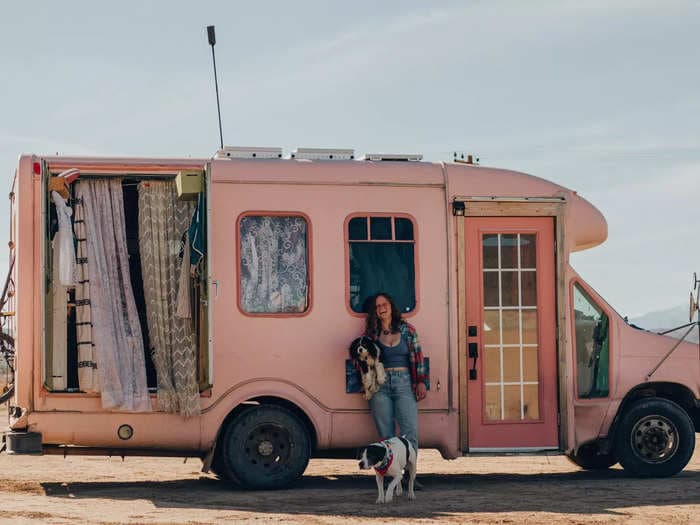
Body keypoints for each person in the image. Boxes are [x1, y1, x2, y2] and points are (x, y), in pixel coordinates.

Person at [364, 292, 429, 485]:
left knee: (410, 432)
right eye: (377, 307)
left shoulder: (407, 330)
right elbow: (361, 354)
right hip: (380, 385)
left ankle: (411, 477)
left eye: (384, 304)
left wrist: (420, 382)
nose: (381, 308)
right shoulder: (372, 333)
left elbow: (418, 357)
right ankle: (391, 476)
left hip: (404, 382)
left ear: (391, 306)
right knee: (386, 435)